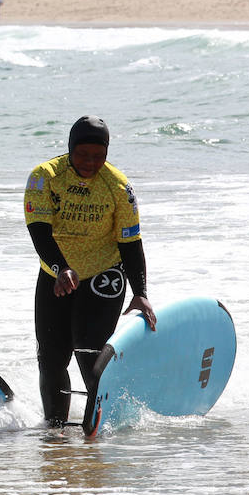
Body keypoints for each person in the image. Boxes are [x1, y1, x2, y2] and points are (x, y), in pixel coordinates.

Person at [24, 115, 155, 429]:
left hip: (103, 276)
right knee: (52, 359)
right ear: (69, 149)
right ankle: (54, 430)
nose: (90, 162)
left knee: (89, 354)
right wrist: (60, 268)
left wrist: (140, 293)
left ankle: (96, 429)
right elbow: (39, 231)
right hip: (55, 275)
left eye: (99, 156)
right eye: (82, 155)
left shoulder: (119, 187)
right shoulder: (45, 177)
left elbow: (131, 241)